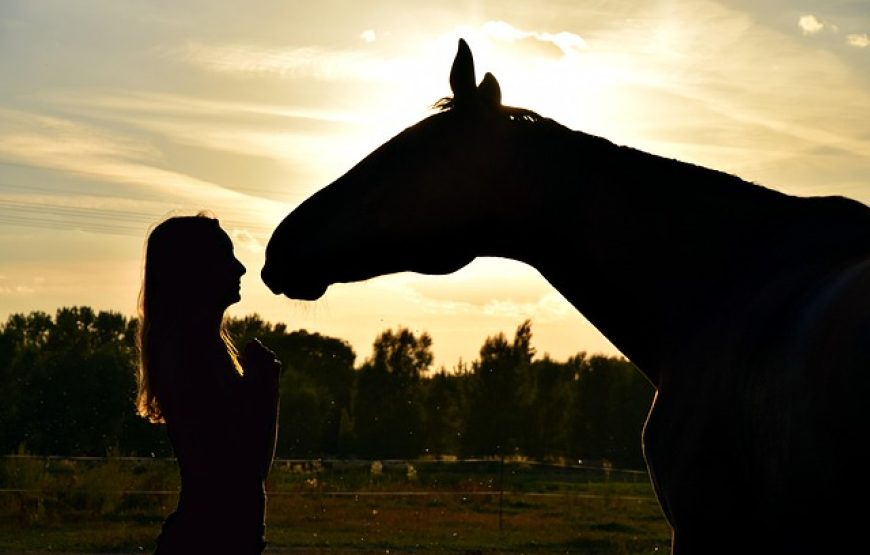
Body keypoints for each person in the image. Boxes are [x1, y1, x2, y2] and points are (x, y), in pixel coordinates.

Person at [136, 213, 280, 554]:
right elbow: (249, 469)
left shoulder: (192, 349)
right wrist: (267, 390)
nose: (240, 269)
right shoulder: (191, 353)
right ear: (195, 270)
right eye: (225, 257)